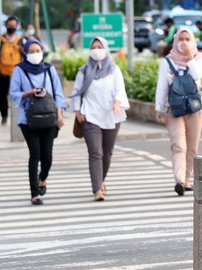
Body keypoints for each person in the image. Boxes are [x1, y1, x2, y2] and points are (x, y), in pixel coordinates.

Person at [71, 36, 130, 201]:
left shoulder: (114, 70)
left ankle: (101, 180)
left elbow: (120, 89)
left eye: (100, 46)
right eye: (93, 47)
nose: (97, 50)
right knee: (95, 152)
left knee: (107, 154)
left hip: (111, 115)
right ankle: (97, 188)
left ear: (106, 48)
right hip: (90, 116)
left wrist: (118, 102)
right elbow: (77, 92)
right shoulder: (84, 71)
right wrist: (77, 111)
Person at [9, 38, 65, 205]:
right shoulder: (19, 70)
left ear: (42, 51)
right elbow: (13, 93)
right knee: (35, 154)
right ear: (25, 53)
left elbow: (58, 94)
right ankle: (34, 193)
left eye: (37, 50)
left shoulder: (49, 69)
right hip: (28, 119)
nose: (35, 54)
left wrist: (60, 115)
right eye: (31, 51)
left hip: (49, 118)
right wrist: (29, 93)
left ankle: (43, 178)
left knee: (47, 156)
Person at [155, 28, 202, 196]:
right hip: (174, 108)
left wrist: (189, 57)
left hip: (195, 108)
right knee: (178, 145)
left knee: (192, 148)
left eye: (187, 39)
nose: (184, 42)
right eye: (181, 39)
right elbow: (162, 86)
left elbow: (197, 75)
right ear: (175, 41)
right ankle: (178, 180)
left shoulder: (199, 58)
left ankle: (187, 180)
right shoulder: (167, 61)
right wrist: (159, 108)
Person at [0, 16, 23, 125]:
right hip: (3, 72)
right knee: (3, 95)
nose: (11, 27)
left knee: (19, 95)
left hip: (17, 73)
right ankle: (4, 116)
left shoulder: (20, 40)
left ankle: (19, 116)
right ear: (6, 25)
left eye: (13, 26)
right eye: (9, 25)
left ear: (17, 26)